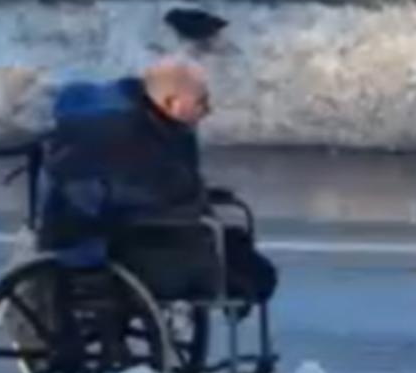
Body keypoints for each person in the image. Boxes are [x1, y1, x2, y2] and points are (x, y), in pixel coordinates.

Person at [37, 57, 276, 305]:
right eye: (201, 101)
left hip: (155, 237)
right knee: (246, 269)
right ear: (171, 103)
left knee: (250, 264)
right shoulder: (129, 135)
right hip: (139, 247)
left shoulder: (165, 128)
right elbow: (142, 195)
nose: (208, 110)